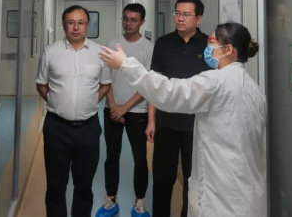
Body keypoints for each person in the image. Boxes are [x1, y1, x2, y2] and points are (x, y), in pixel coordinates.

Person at [100, 22, 267, 217]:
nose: (207, 47)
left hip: (221, 191)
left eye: (212, 42)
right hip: (247, 188)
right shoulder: (254, 89)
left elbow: (169, 93)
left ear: (228, 49)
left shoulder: (216, 82)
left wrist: (126, 65)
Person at [36, 5, 112, 217]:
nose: (76, 27)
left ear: (88, 25)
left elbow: (105, 84)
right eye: (71, 23)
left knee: (84, 186)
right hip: (56, 128)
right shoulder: (50, 53)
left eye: (81, 23)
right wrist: (58, 102)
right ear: (64, 25)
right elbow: (41, 85)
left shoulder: (100, 53)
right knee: (55, 186)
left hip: (88, 128)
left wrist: (90, 101)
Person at [147, 0, 209, 217]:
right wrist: (151, 120)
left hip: (198, 125)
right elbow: (155, 84)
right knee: (162, 178)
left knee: (194, 180)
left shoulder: (210, 45)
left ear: (198, 18)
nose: (179, 18)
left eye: (186, 14)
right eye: (177, 13)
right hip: (166, 121)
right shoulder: (163, 43)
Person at [96, 4, 154, 217]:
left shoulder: (148, 48)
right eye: (125, 19)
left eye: (133, 20)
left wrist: (125, 108)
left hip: (137, 111)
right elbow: (106, 78)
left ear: (142, 22)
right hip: (112, 109)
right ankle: (111, 199)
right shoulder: (113, 43)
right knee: (112, 157)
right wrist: (113, 106)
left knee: (140, 159)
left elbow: (147, 84)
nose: (128, 23)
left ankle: (139, 201)